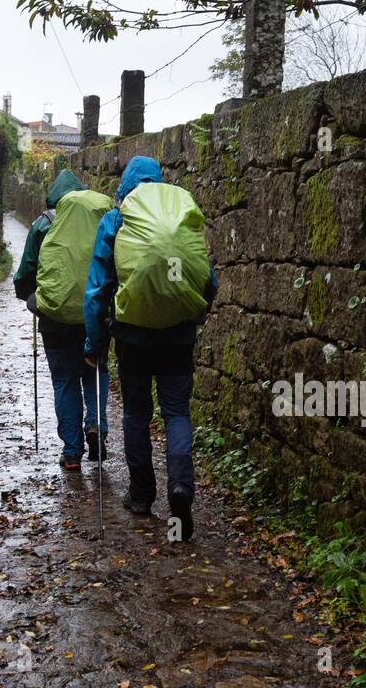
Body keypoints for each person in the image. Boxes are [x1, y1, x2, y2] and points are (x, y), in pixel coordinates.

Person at [83, 156, 218, 541]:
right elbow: (205, 276)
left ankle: (142, 494)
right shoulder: (177, 209)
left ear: (125, 183)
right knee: (176, 411)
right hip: (177, 332)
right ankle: (181, 488)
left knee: (137, 414)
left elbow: (98, 288)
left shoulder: (117, 218)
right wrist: (199, 308)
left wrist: (94, 341)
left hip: (133, 334)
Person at [14, 168, 110, 469]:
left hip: (55, 317)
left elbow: (26, 272)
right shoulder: (101, 219)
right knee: (96, 371)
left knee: (65, 381)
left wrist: (31, 296)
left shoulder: (43, 223)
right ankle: (95, 425)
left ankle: (71, 452)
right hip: (94, 313)